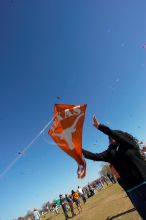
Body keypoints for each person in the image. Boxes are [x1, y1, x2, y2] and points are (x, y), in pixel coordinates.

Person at [80, 115, 146, 219]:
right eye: (109, 138)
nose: (110, 138)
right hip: (132, 190)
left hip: (144, 181)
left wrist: (100, 127)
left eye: (112, 136)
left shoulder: (129, 143)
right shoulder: (110, 153)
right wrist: (77, 149)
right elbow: (94, 156)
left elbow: (115, 134)